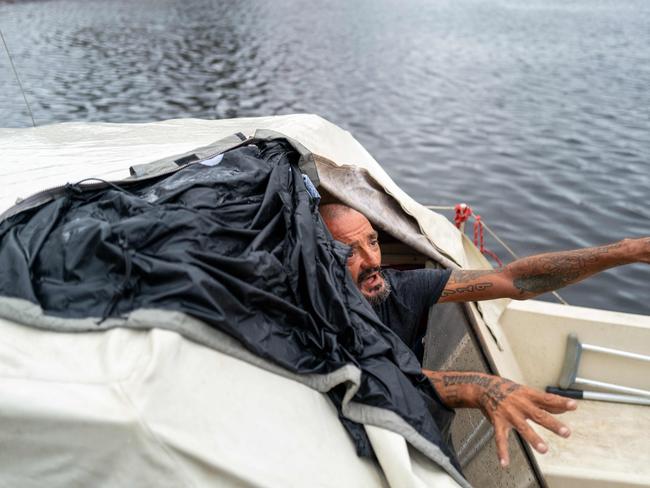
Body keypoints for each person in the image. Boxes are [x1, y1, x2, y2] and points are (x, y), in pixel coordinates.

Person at [319, 203, 650, 468]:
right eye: (349, 251)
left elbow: (514, 282)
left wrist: (625, 252)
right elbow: (362, 371)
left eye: (373, 241)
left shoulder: (400, 289)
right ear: (319, 260)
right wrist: (474, 387)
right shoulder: (312, 315)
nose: (371, 260)